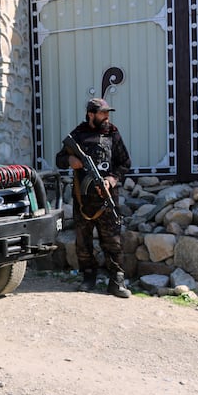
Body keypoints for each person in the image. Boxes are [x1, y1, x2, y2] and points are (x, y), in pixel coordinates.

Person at [56, 98, 132, 298]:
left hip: (107, 197)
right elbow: (59, 158)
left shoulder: (112, 133)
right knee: (83, 241)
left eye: (108, 113)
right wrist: (70, 160)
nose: (106, 117)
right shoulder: (78, 134)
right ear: (91, 114)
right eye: (102, 113)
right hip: (83, 199)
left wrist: (111, 180)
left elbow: (125, 163)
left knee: (113, 240)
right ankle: (88, 277)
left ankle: (116, 281)